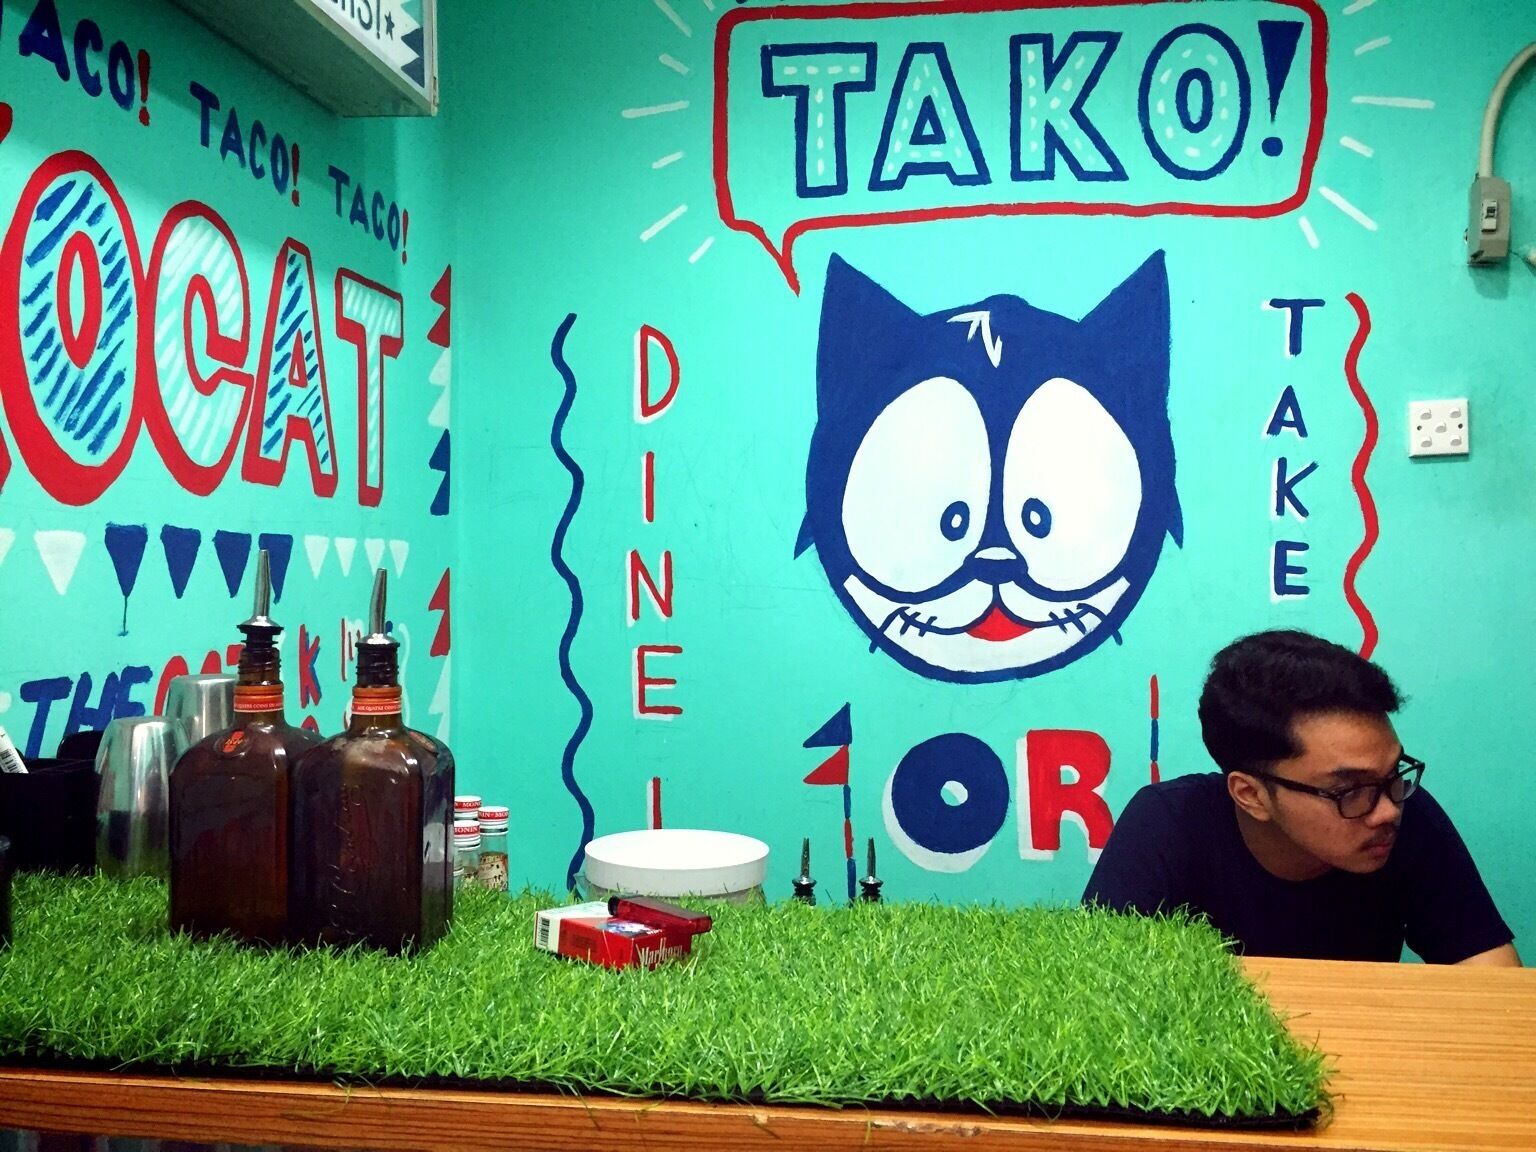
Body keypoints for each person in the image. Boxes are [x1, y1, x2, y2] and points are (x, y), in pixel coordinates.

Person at [1083, 630, 1520, 965]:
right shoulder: (1168, 823)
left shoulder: (1408, 812)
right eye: (1350, 790)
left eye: (1394, 773)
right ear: (1251, 795)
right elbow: (1096, 992)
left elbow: (1493, 981)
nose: (1387, 810)